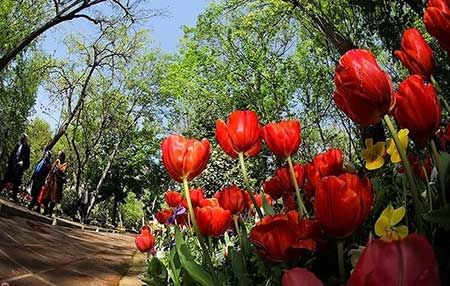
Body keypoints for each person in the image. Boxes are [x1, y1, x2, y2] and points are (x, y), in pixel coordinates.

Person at [1, 133, 30, 202]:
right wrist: (8, 163)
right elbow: (12, 154)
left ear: (26, 140)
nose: (22, 140)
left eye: (23, 138)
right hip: (12, 165)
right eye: (21, 138)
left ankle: (14, 198)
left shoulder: (27, 148)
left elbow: (27, 159)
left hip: (19, 168)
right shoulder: (18, 144)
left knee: (16, 183)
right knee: (5, 179)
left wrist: (23, 163)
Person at [43, 151, 67, 216]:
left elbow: (63, 171)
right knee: (45, 197)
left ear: (62, 157)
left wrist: (58, 164)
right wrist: (47, 178)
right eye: (58, 155)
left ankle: (50, 213)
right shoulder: (55, 162)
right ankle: (46, 210)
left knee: (53, 198)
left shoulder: (64, 164)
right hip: (50, 181)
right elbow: (51, 170)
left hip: (57, 183)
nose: (58, 156)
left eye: (60, 155)